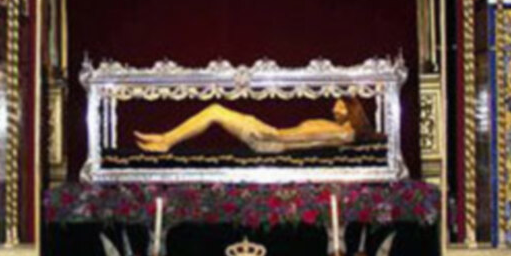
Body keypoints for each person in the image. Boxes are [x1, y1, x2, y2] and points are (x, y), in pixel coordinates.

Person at [134, 97, 373, 154]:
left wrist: (271, 136)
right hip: (271, 136)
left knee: (215, 111)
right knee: (214, 110)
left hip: (270, 140)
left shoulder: (342, 132)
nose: (334, 109)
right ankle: (166, 139)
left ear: (352, 110)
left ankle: (166, 141)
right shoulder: (338, 129)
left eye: (340, 106)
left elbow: (303, 139)